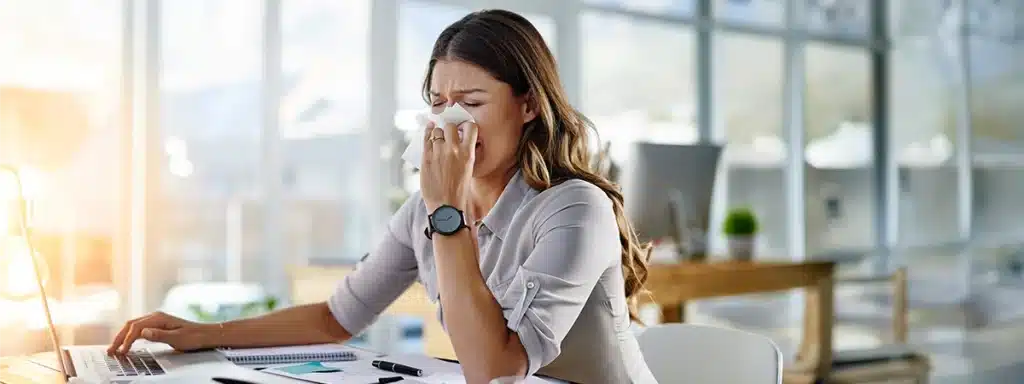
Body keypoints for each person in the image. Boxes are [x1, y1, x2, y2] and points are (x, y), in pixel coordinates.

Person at [108, 9, 656, 384]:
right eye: (438, 102)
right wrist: (203, 334)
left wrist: (448, 215)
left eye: (471, 100)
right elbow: (334, 319)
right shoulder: (425, 211)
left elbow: (497, 371)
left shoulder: (574, 207)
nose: (451, 119)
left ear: (529, 106)